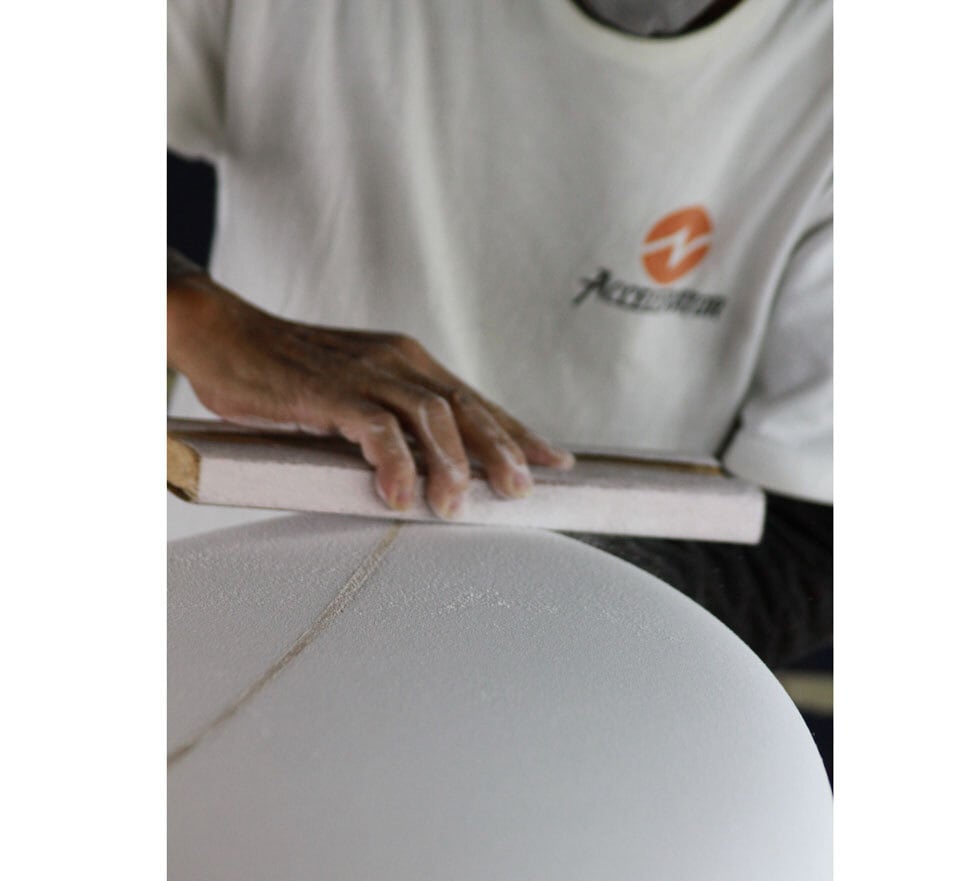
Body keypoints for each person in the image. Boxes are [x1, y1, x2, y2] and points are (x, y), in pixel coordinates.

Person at [167, 0, 832, 669]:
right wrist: (191, 316)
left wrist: (497, 618)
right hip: (212, 645)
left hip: (572, 692)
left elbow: (812, 541)